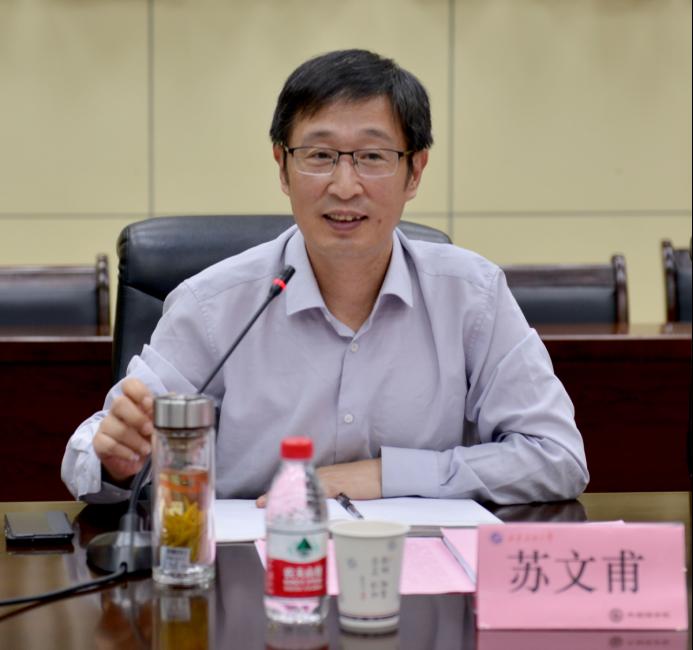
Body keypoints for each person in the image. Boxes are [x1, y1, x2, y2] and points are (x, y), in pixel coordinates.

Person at [62, 49, 588, 505]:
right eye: (319, 156)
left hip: (417, 576)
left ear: (415, 172)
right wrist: (117, 463)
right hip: (251, 575)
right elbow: (90, 452)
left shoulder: (472, 296)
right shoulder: (213, 305)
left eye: (372, 156)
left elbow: (558, 456)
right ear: (282, 166)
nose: (344, 185)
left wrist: (385, 476)